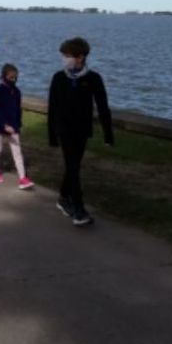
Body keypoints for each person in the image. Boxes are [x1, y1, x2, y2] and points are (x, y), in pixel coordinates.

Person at [48, 37, 114, 226]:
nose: (65, 59)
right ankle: (79, 209)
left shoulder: (93, 79)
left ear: (81, 57)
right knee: (74, 167)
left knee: (73, 165)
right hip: (64, 130)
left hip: (83, 130)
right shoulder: (59, 78)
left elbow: (103, 107)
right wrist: (52, 135)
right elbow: (52, 108)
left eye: (68, 56)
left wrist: (108, 134)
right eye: (64, 56)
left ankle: (62, 197)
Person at [0, 63, 34, 190]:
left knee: (17, 151)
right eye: (11, 77)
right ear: (4, 77)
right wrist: (4, 124)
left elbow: (18, 110)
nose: (13, 80)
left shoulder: (17, 92)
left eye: (15, 77)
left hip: (14, 127)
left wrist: (18, 124)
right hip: (0, 126)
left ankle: (22, 178)